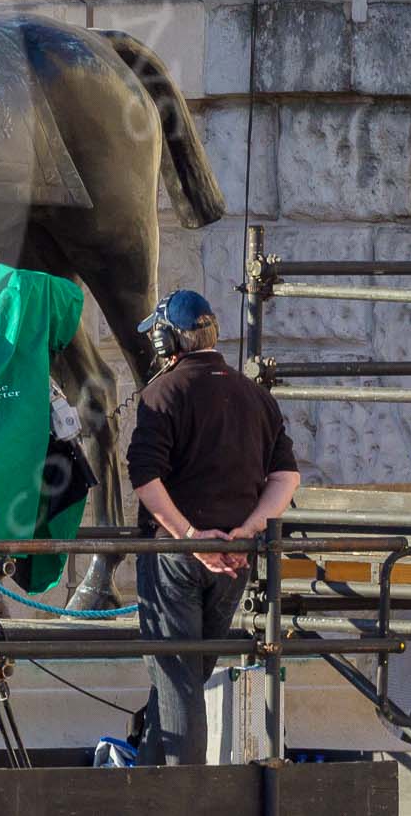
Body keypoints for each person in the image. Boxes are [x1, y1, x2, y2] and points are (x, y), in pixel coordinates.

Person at [125, 288, 302, 766]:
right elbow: (286, 477)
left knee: (178, 676)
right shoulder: (257, 396)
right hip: (235, 560)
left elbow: (145, 477)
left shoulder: (163, 392)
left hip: (176, 559)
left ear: (167, 341)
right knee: (183, 675)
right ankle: (148, 783)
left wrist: (188, 537)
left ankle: (186, 793)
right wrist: (247, 531)